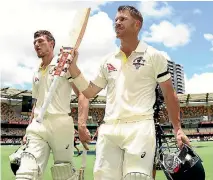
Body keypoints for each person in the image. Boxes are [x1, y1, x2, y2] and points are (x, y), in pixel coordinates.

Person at [68, 5, 190, 180]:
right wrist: (73, 67)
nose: (117, 22)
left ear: (137, 25)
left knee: (136, 177)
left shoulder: (153, 56)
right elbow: (88, 92)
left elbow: (170, 95)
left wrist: (177, 129)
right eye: (116, 20)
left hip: (139, 127)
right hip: (109, 129)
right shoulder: (107, 60)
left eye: (123, 19)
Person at [15, 30, 91, 180]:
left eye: (41, 41)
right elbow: (36, 102)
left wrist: (81, 125)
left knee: (64, 173)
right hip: (38, 125)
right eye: (35, 42)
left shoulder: (64, 64)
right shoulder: (36, 71)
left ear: (51, 43)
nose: (37, 44)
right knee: (26, 172)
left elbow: (83, 93)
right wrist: (29, 127)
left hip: (60, 124)